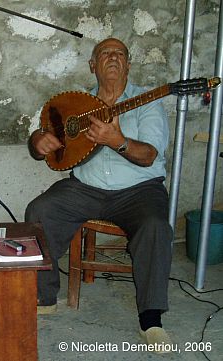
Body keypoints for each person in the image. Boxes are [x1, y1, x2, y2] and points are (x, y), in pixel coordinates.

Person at [25, 38, 173, 351]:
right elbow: (46, 139)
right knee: (40, 210)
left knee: (156, 225)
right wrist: (38, 141)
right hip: (85, 187)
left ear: (129, 64)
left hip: (139, 189)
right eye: (105, 53)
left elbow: (149, 156)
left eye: (120, 53)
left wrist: (117, 141)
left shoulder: (147, 101)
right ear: (93, 65)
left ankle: (151, 319)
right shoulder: (76, 103)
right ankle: (44, 297)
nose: (113, 58)